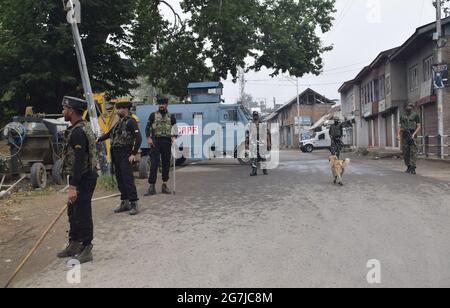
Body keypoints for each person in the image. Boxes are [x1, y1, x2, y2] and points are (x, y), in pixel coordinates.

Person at [58, 97, 98, 264]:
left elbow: (80, 161)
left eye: (64, 108)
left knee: (83, 212)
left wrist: (73, 186)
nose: (62, 111)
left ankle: (87, 248)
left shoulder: (78, 132)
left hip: (84, 177)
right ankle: (74, 243)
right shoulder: (80, 127)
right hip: (80, 176)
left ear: (71, 110)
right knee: (73, 211)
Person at [97, 102, 142, 215]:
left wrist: (133, 153)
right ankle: (125, 202)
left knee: (128, 179)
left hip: (125, 153)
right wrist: (98, 140)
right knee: (120, 179)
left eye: (119, 109)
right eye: (117, 109)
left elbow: (139, 138)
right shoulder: (119, 123)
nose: (117, 111)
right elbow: (109, 134)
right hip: (116, 154)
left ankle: (134, 203)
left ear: (125, 109)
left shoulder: (131, 121)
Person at [144, 96, 177, 196]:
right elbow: (147, 127)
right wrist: (148, 138)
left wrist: (174, 137)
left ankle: (164, 185)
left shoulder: (171, 117)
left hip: (167, 142)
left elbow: (175, 129)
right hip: (155, 142)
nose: (161, 105)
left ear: (166, 105)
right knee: (154, 163)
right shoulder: (153, 115)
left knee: (166, 164)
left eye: (163, 104)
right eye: (160, 104)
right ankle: (151, 186)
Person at [397, 103, 421, 175]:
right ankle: (408, 167)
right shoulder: (402, 116)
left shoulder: (416, 115)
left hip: (413, 135)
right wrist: (398, 134)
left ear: (412, 108)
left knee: (413, 152)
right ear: (405, 108)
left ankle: (413, 168)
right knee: (405, 152)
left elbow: (419, 126)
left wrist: (414, 134)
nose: (409, 107)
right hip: (405, 135)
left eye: (410, 106)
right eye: (408, 106)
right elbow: (400, 126)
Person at [248, 111, 271, 177]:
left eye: (256, 115)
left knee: (263, 157)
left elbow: (267, 134)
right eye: (254, 115)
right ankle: (254, 171)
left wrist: (268, 143)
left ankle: (264, 170)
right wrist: (247, 143)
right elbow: (248, 134)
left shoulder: (262, 124)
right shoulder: (250, 124)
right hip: (253, 142)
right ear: (253, 116)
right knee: (253, 158)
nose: (255, 116)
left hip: (261, 142)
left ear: (258, 116)